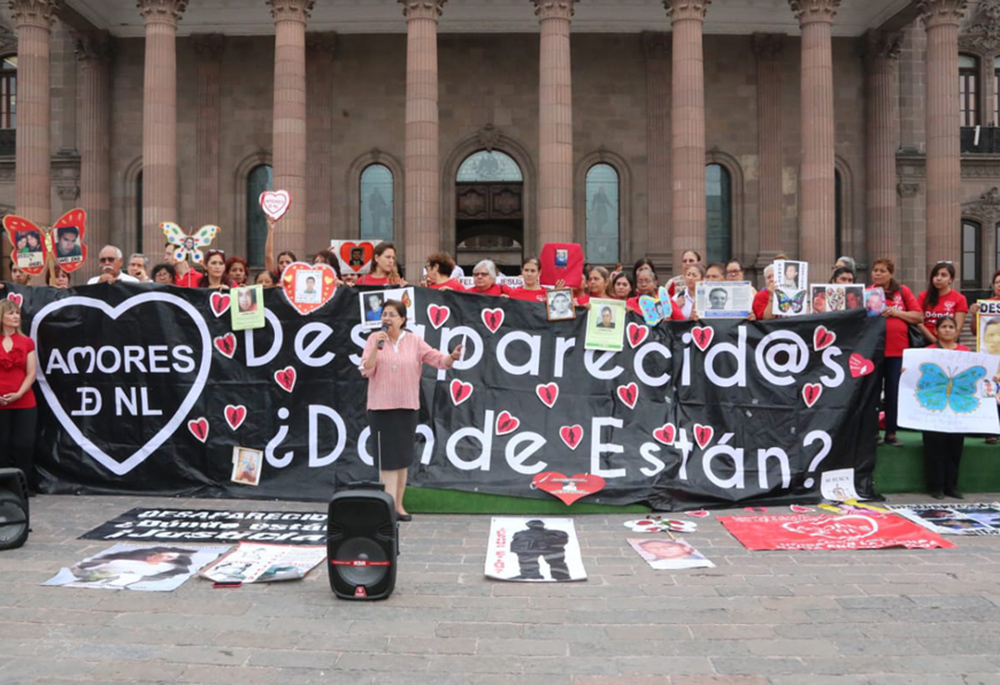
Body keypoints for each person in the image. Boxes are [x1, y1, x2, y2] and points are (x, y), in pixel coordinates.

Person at [359, 299, 462, 521]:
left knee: (403, 458)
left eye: (392, 315)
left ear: (403, 319)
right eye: (384, 314)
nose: (386, 318)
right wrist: (378, 346)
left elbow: (436, 359)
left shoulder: (414, 341)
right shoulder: (373, 339)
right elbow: (366, 369)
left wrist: (451, 357)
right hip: (381, 406)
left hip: (407, 406)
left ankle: (399, 506)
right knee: (387, 460)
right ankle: (387, 508)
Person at [869, 258, 922, 447]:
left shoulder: (903, 292)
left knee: (893, 392)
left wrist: (895, 313)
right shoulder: (868, 292)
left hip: (898, 351)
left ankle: (891, 433)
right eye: (875, 270)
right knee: (872, 393)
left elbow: (918, 316)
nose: (878, 274)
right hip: (874, 350)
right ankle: (873, 433)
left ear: (891, 273)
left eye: (882, 271)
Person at [922, 315, 969, 499]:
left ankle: (951, 486)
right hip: (934, 406)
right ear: (936, 330)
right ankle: (936, 486)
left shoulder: (965, 350)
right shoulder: (928, 351)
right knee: (935, 445)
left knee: (955, 446)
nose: (948, 330)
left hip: (957, 406)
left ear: (956, 330)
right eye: (944, 327)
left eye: (951, 326)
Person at [0, 299, 37, 492]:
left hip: (24, 400)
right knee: (2, 443)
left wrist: (19, 394)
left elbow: (31, 373)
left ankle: (23, 487)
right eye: (11, 313)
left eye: (17, 313)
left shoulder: (26, 342)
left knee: (24, 444)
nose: (16, 317)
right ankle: (4, 486)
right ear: (2, 317)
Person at [69, 546, 198, 588]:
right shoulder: (130, 559)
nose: (161, 557)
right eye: (162, 554)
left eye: (168, 557)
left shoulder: (159, 569)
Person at [917, 261, 967, 345]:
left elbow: (958, 327)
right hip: (926, 342)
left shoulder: (959, 298)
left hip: (950, 343)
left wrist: (946, 343)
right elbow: (919, 322)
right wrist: (934, 341)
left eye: (943, 275)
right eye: (936, 275)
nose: (938, 278)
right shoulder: (923, 296)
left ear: (951, 280)